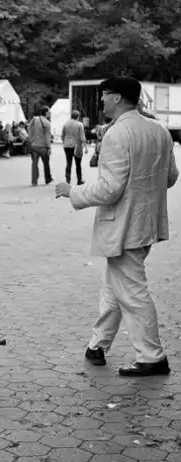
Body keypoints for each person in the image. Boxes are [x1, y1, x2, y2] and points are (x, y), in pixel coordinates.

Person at [55, 76, 178, 377]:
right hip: (147, 223)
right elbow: (171, 177)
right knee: (116, 285)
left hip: (124, 226)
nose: (101, 100)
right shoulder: (159, 130)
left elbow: (110, 189)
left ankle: (152, 357)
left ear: (118, 98)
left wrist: (72, 191)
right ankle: (97, 345)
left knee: (132, 291)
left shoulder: (117, 134)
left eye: (105, 94)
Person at [27, 107, 53, 186]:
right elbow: (47, 136)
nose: (50, 113)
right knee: (46, 163)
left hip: (34, 145)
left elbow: (29, 128)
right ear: (46, 113)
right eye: (49, 111)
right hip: (43, 147)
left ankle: (34, 181)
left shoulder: (34, 119)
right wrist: (49, 147)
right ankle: (48, 179)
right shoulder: (47, 123)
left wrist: (32, 138)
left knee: (34, 164)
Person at [61, 110, 87, 185]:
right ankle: (79, 180)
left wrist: (65, 142)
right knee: (78, 164)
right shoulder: (79, 124)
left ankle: (68, 180)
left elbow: (62, 136)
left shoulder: (65, 124)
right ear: (78, 117)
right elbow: (82, 136)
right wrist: (85, 147)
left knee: (68, 163)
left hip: (67, 146)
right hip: (76, 146)